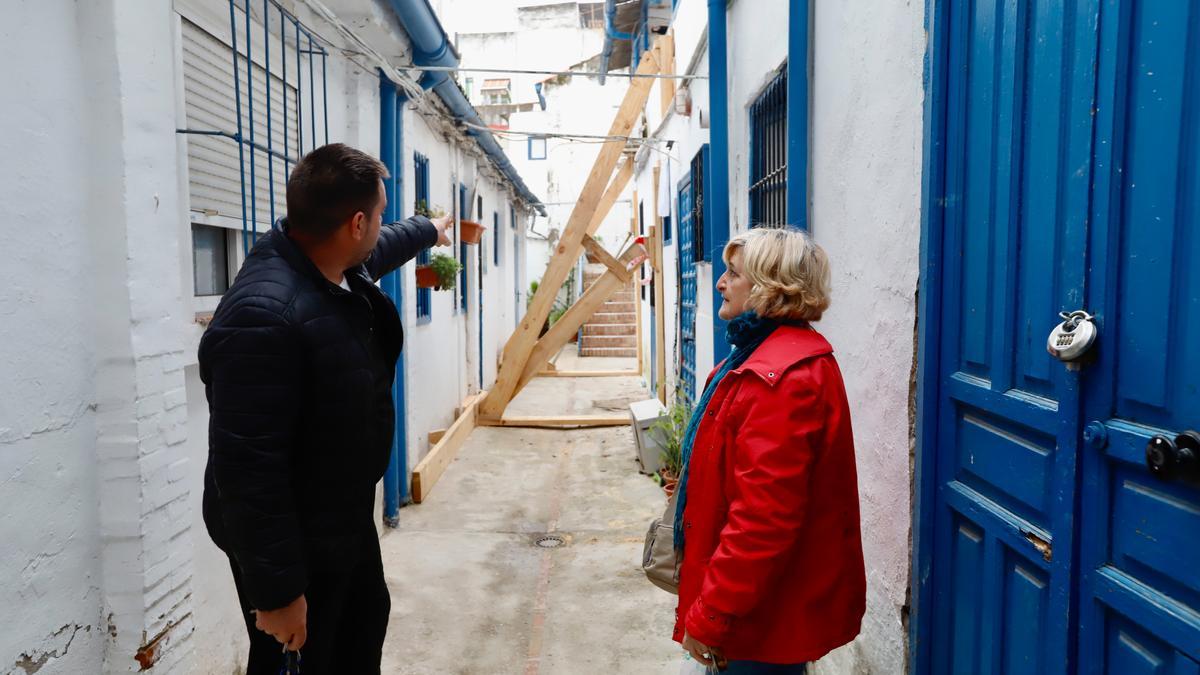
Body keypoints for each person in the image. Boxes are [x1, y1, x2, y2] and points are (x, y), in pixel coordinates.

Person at [199, 143, 452, 674]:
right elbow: (247, 471)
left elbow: (383, 247)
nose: (381, 228)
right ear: (355, 222)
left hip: (339, 516)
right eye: (378, 216)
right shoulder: (263, 318)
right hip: (294, 535)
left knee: (361, 629)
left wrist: (430, 230)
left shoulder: (329, 261)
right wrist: (278, 593)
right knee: (300, 661)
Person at [673, 227, 866, 673]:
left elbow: (763, 519)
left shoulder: (780, 378)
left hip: (761, 617)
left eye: (732, 273)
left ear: (769, 288)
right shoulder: (752, 361)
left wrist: (713, 615)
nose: (720, 282)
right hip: (757, 604)